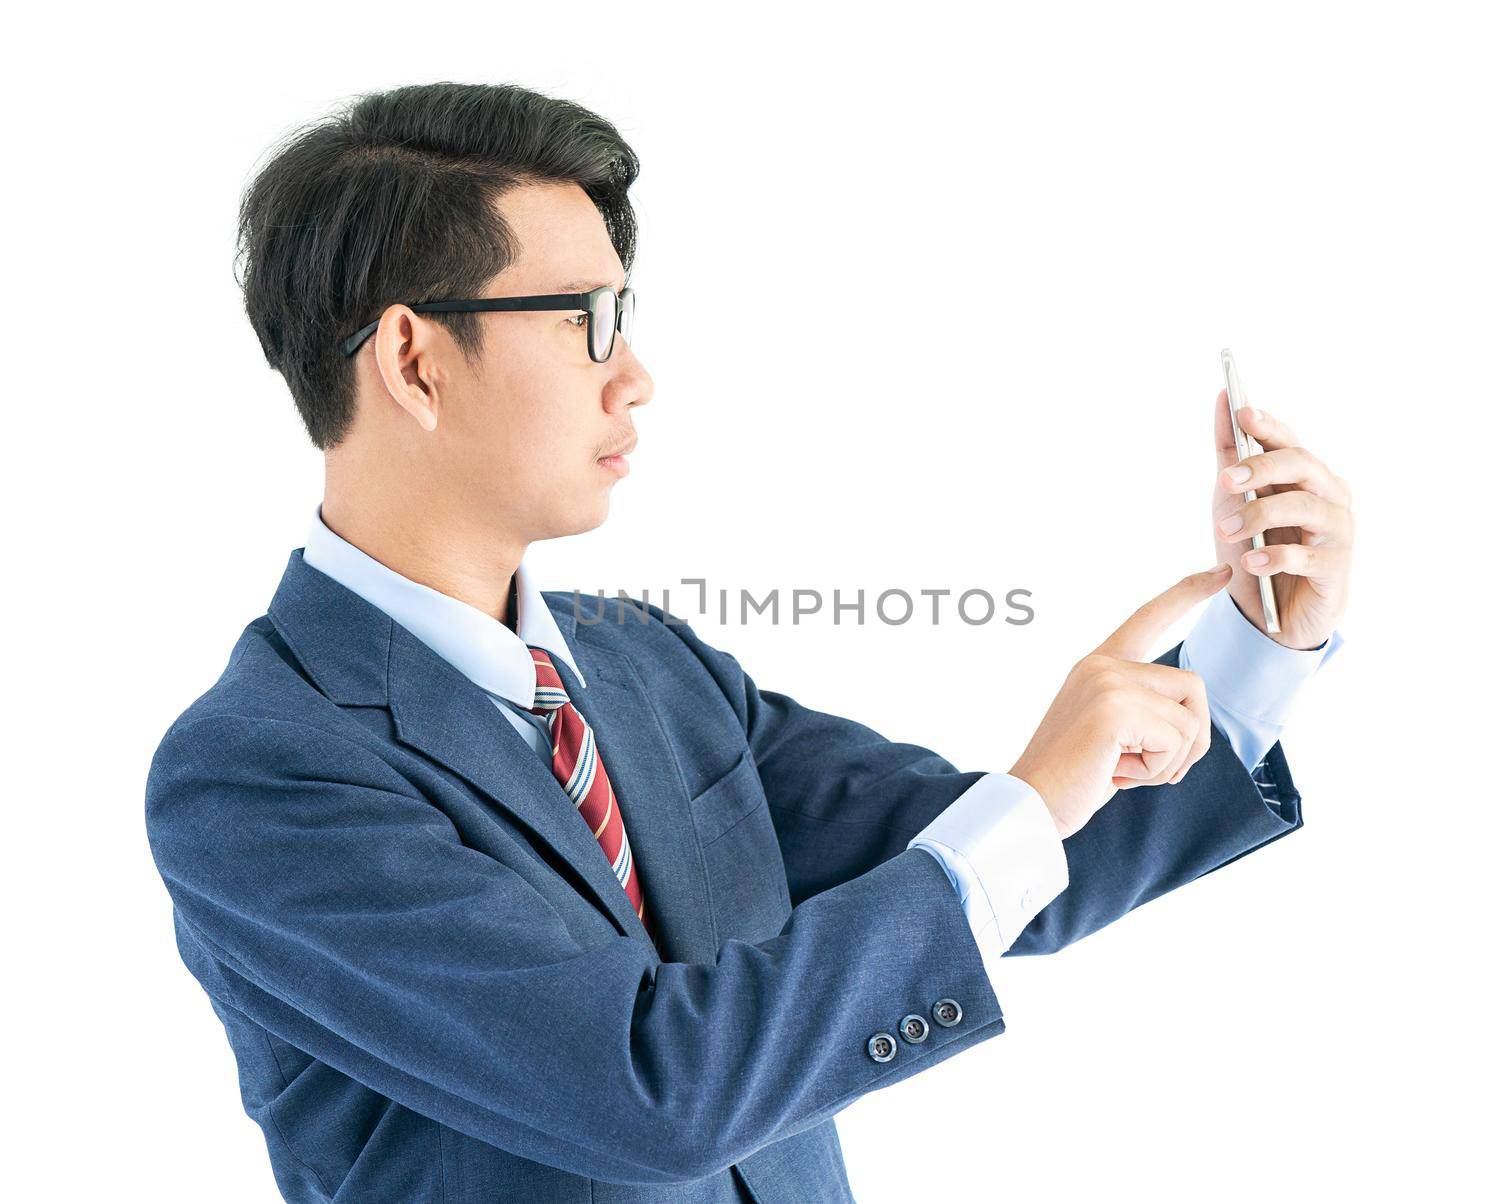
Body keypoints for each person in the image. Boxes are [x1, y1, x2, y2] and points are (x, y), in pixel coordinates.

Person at [144, 81, 1353, 1204]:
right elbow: (649, 1088)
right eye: (588, 320)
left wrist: (1251, 649)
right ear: (413, 358)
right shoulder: (258, 772)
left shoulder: (645, 670)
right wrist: (1032, 795)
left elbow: (997, 871)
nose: (636, 378)